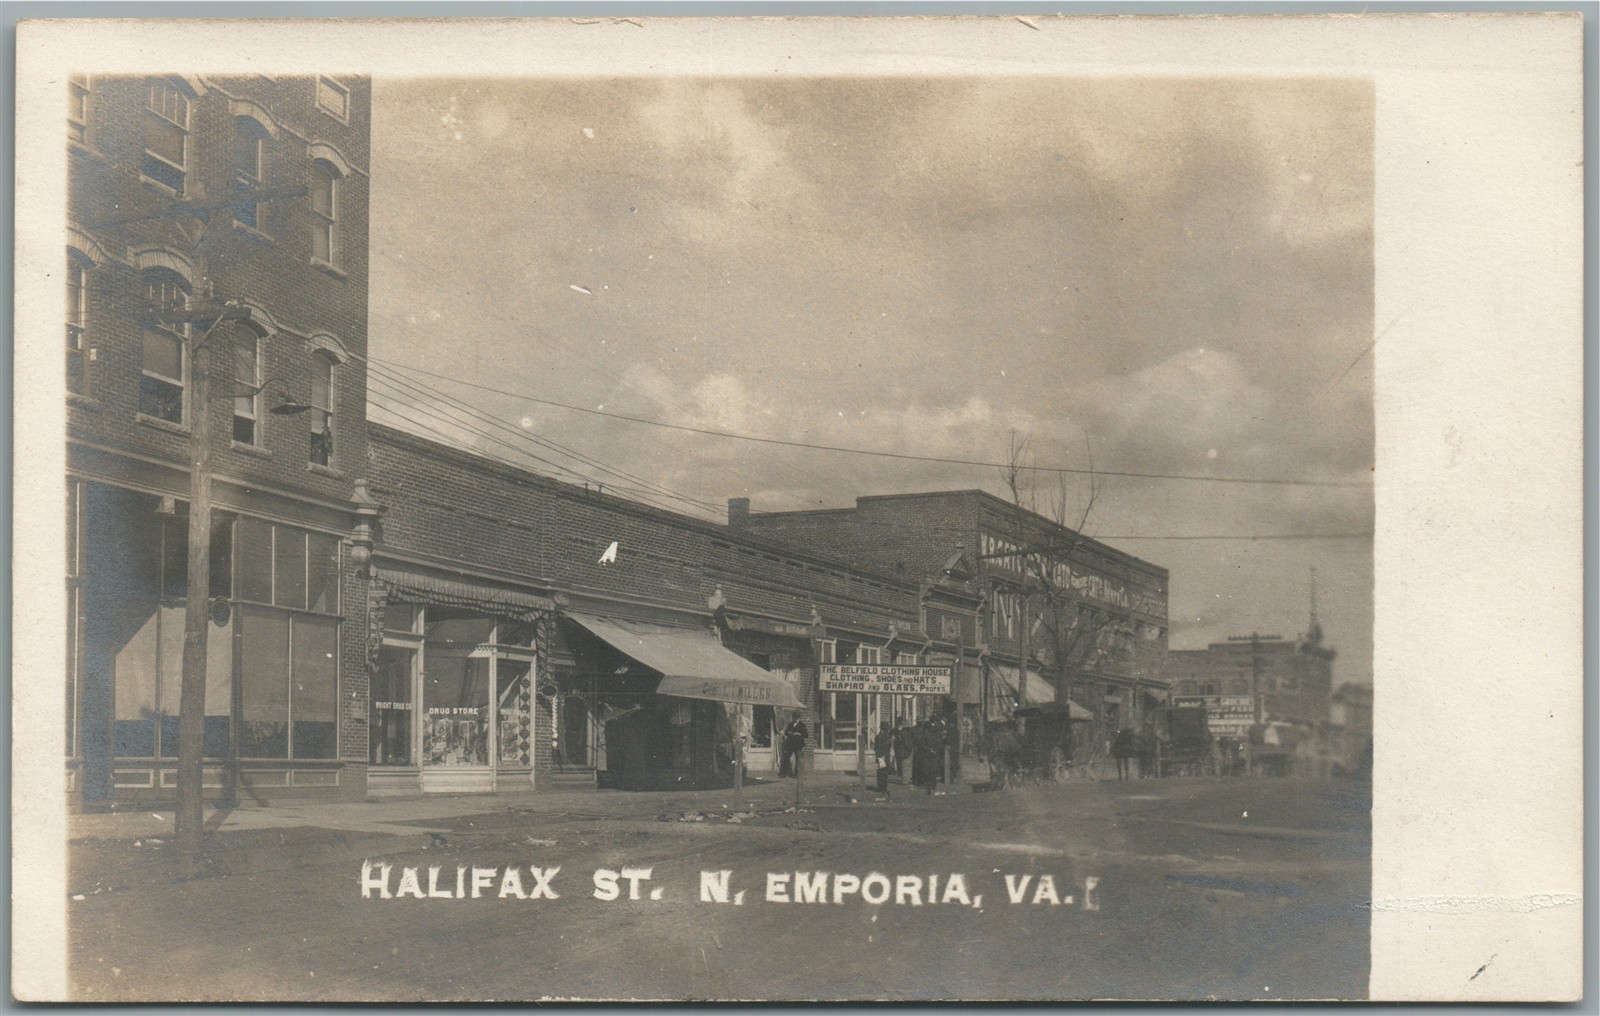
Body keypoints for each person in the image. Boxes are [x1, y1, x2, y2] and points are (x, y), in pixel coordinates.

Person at [873, 721, 894, 796]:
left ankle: (883, 787)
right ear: (883, 729)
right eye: (886, 729)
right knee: (882, 772)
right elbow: (878, 747)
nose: (887, 730)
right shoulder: (880, 736)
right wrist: (889, 741)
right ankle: (882, 788)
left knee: (884, 772)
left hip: (884, 756)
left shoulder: (884, 736)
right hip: (881, 757)